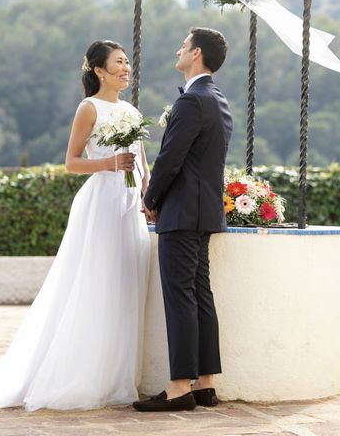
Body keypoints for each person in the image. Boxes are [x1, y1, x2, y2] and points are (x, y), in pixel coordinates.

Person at [0, 40, 151, 412]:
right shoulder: (89, 108)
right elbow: (71, 161)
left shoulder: (131, 110)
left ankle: (115, 374)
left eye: (127, 62)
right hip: (100, 202)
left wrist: (148, 195)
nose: (126, 68)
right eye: (118, 62)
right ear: (99, 70)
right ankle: (79, 373)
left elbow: (143, 161)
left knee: (125, 283)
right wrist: (109, 164)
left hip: (128, 206)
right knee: (94, 282)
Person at [135, 27, 233, 412]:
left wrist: (150, 197)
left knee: (180, 298)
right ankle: (205, 384)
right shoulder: (218, 99)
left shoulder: (192, 101)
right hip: (205, 210)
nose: (178, 49)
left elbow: (170, 159)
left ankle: (178, 388)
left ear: (196, 54)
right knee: (200, 295)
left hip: (180, 213)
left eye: (183, 45)